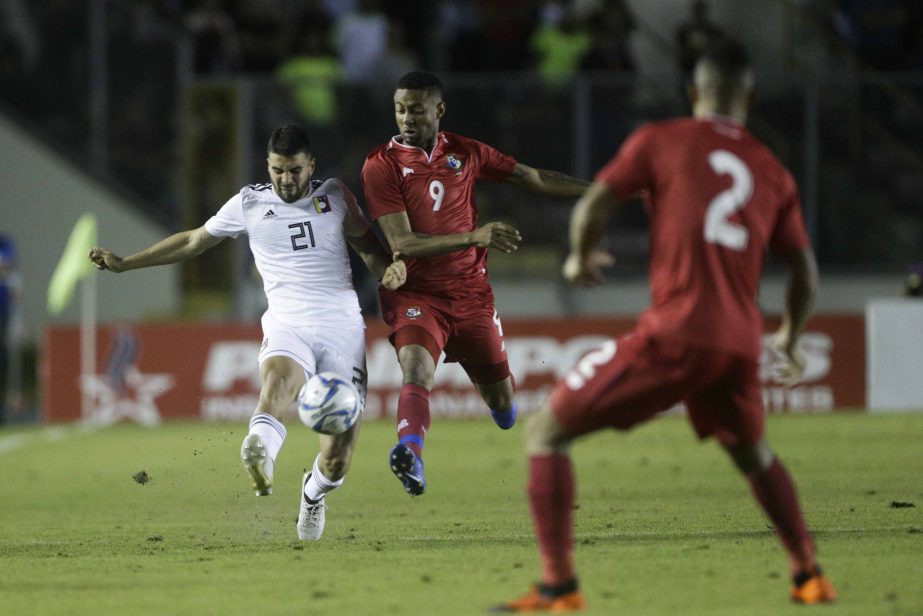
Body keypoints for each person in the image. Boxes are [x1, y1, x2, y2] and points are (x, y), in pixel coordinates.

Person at [495, 40, 837, 612]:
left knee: (545, 432)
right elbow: (804, 269)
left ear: (693, 92)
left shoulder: (661, 140)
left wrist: (580, 256)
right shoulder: (773, 169)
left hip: (676, 335)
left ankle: (559, 587)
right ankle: (809, 573)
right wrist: (791, 338)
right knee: (755, 454)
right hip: (737, 344)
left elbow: (594, 204)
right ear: (750, 96)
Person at [89, 124, 406, 541]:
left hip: (341, 326)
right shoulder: (250, 202)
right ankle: (260, 450)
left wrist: (391, 271)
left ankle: (313, 494)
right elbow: (192, 241)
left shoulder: (335, 196)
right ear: (268, 166)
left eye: (294, 170)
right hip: (286, 321)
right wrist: (128, 262)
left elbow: (368, 248)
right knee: (277, 383)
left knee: (337, 459)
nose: (286, 179)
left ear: (310, 165)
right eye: (277, 170)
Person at [361, 70, 589, 497]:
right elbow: (402, 242)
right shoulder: (381, 165)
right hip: (415, 293)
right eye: (399, 109)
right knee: (415, 367)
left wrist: (601, 192)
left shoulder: (466, 153)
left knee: (502, 405)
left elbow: (533, 177)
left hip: (470, 296)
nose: (406, 118)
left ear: (439, 109)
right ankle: (411, 455)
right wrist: (474, 235)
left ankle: (499, 408)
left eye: (415, 109)